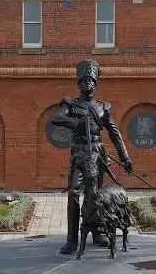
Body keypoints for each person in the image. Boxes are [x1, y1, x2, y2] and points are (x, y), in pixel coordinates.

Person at [51, 59, 133, 254]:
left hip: (97, 153)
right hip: (80, 152)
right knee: (74, 193)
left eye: (91, 80)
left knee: (94, 194)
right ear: (78, 83)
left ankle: (97, 233)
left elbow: (115, 134)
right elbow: (56, 118)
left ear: (96, 84)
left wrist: (125, 158)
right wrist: (76, 123)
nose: (87, 83)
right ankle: (72, 239)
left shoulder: (103, 108)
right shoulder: (70, 104)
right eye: (84, 80)